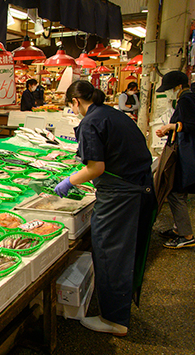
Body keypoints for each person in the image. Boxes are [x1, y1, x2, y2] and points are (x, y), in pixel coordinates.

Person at [54, 80, 156, 336]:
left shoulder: (90, 122)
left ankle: (114, 319)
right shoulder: (111, 113)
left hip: (122, 193)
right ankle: (117, 309)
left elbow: (95, 168)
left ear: (75, 102)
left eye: (72, 105)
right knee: (120, 251)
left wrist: (69, 181)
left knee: (110, 251)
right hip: (137, 186)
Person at [155, 71, 195, 248]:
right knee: (177, 191)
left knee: (175, 191)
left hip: (184, 154)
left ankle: (186, 235)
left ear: (178, 86)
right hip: (184, 152)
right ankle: (179, 228)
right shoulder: (187, 98)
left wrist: (172, 126)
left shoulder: (186, 99)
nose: (169, 92)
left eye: (170, 88)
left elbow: (192, 125)